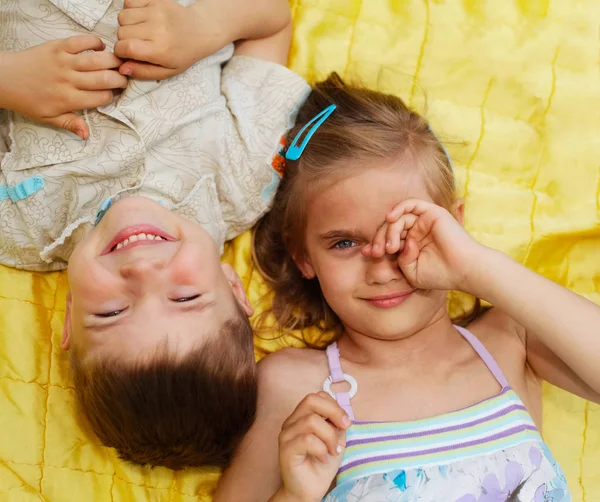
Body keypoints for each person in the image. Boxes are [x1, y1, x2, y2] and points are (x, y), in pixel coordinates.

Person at [214, 74, 600, 501]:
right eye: (345, 243)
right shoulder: (295, 386)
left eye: (408, 230)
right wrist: (296, 494)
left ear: (454, 225)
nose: (382, 267)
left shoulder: (511, 340)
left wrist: (475, 267)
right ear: (304, 256)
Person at [0, 0, 310, 469]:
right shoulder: (245, 178)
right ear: (233, 287)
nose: (142, 271)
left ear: (68, 320)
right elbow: (272, 19)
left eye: (111, 310)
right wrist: (208, 24)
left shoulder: (18, 227)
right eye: (184, 297)